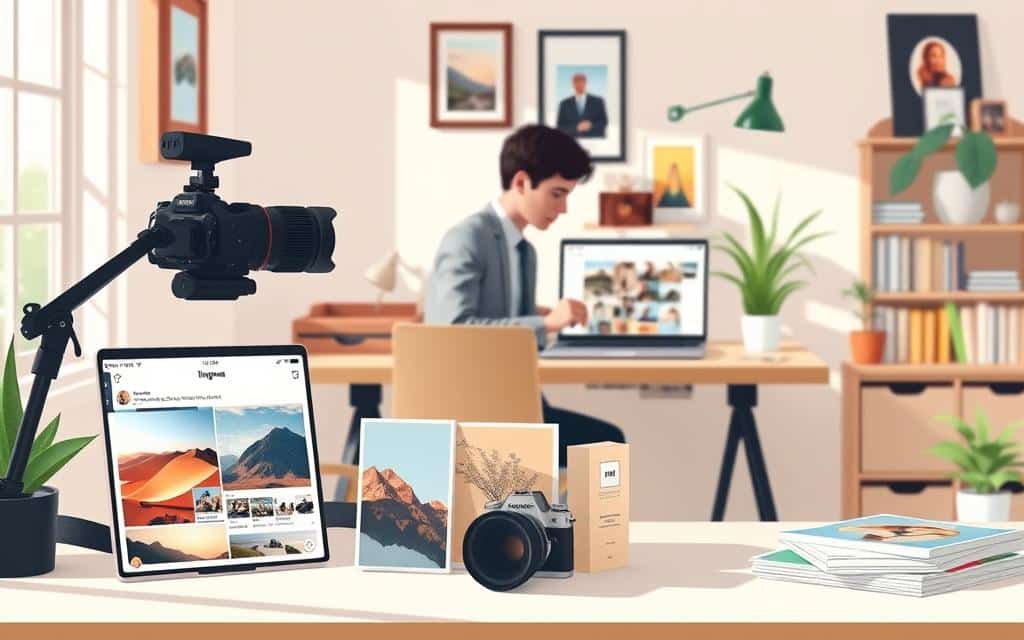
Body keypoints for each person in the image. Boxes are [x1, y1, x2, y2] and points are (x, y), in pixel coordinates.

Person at [425, 124, 625, 466]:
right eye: (557, 194)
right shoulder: (468, 238)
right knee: (606, 445)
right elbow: (451, 331)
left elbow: (500, 322)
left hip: (513, 400)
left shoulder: (525, 252)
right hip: (476, 412)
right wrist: (544, 322)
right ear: (521, 182)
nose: (562, 209)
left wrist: (547, 318)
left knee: (606, 443)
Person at [556, 72, 608, 138]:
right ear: (573, 84)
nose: (579, 85)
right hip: (572, 142)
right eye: (576, 82)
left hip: (594, 143)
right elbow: (560, 127)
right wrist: (576, 127)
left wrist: (591, 126)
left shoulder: (598, 101)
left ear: (585, 83)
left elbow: (604, 122)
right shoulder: (564, 104)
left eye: (581, 82)